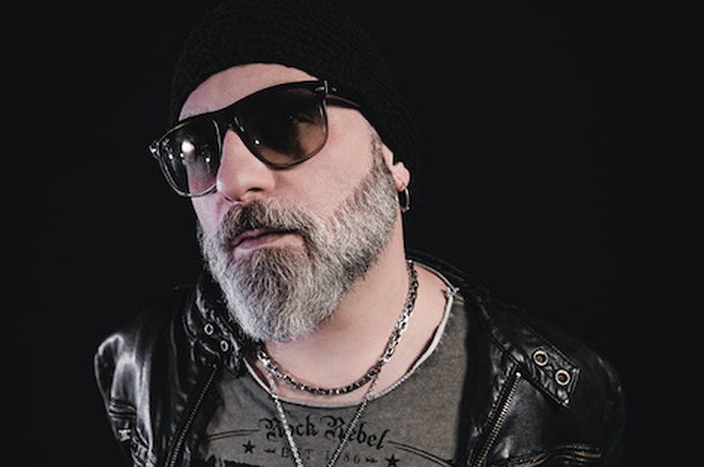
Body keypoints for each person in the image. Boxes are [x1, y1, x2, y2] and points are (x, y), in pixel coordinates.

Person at [94, 1, 625, 466]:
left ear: (390, 159)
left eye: (285, 121)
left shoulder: (556, 402)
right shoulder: (140, 367)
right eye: (198, 150)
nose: (233, 181)